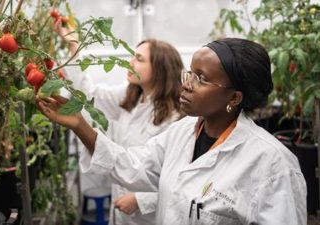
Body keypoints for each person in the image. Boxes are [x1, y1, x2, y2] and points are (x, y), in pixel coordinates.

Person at [37, 38, 307, 225]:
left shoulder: (273, 164)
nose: (187, 84)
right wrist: (80, 125)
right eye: (190, 74)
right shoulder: (182, 133)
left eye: (200, 78)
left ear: (234, 98)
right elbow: (130, 166)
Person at [55, 24, 185, 225]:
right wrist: (74, 45)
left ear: (160, 69)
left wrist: (142, 200)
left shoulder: (175, 118)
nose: (129, 63)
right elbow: (89, 93)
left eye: (139, 59)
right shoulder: (132, 96)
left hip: (149, 216)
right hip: (121, 206)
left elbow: (182, 181)